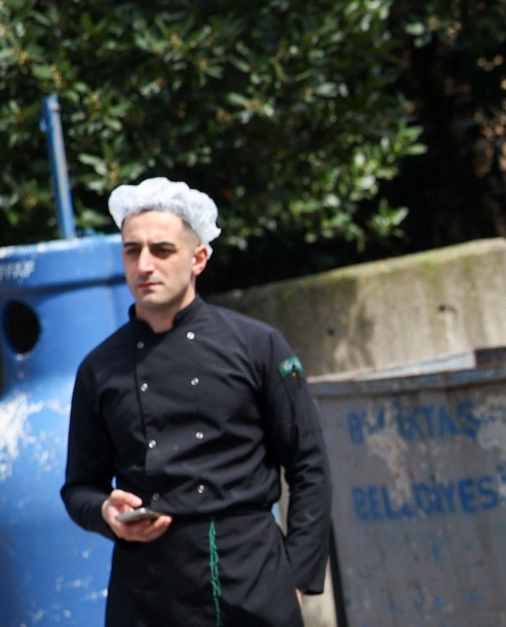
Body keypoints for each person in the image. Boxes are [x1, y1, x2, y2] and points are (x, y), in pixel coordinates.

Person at [61, 177, 332, 626]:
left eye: (162, 250)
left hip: (252, 577)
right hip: (148, 589)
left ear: (198, 258)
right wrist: (106, 512)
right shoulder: (99, 368)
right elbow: (78, 489)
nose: (144, 264)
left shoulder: (258, 346)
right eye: (132, 250)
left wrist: (297, 578)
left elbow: (309, 467)